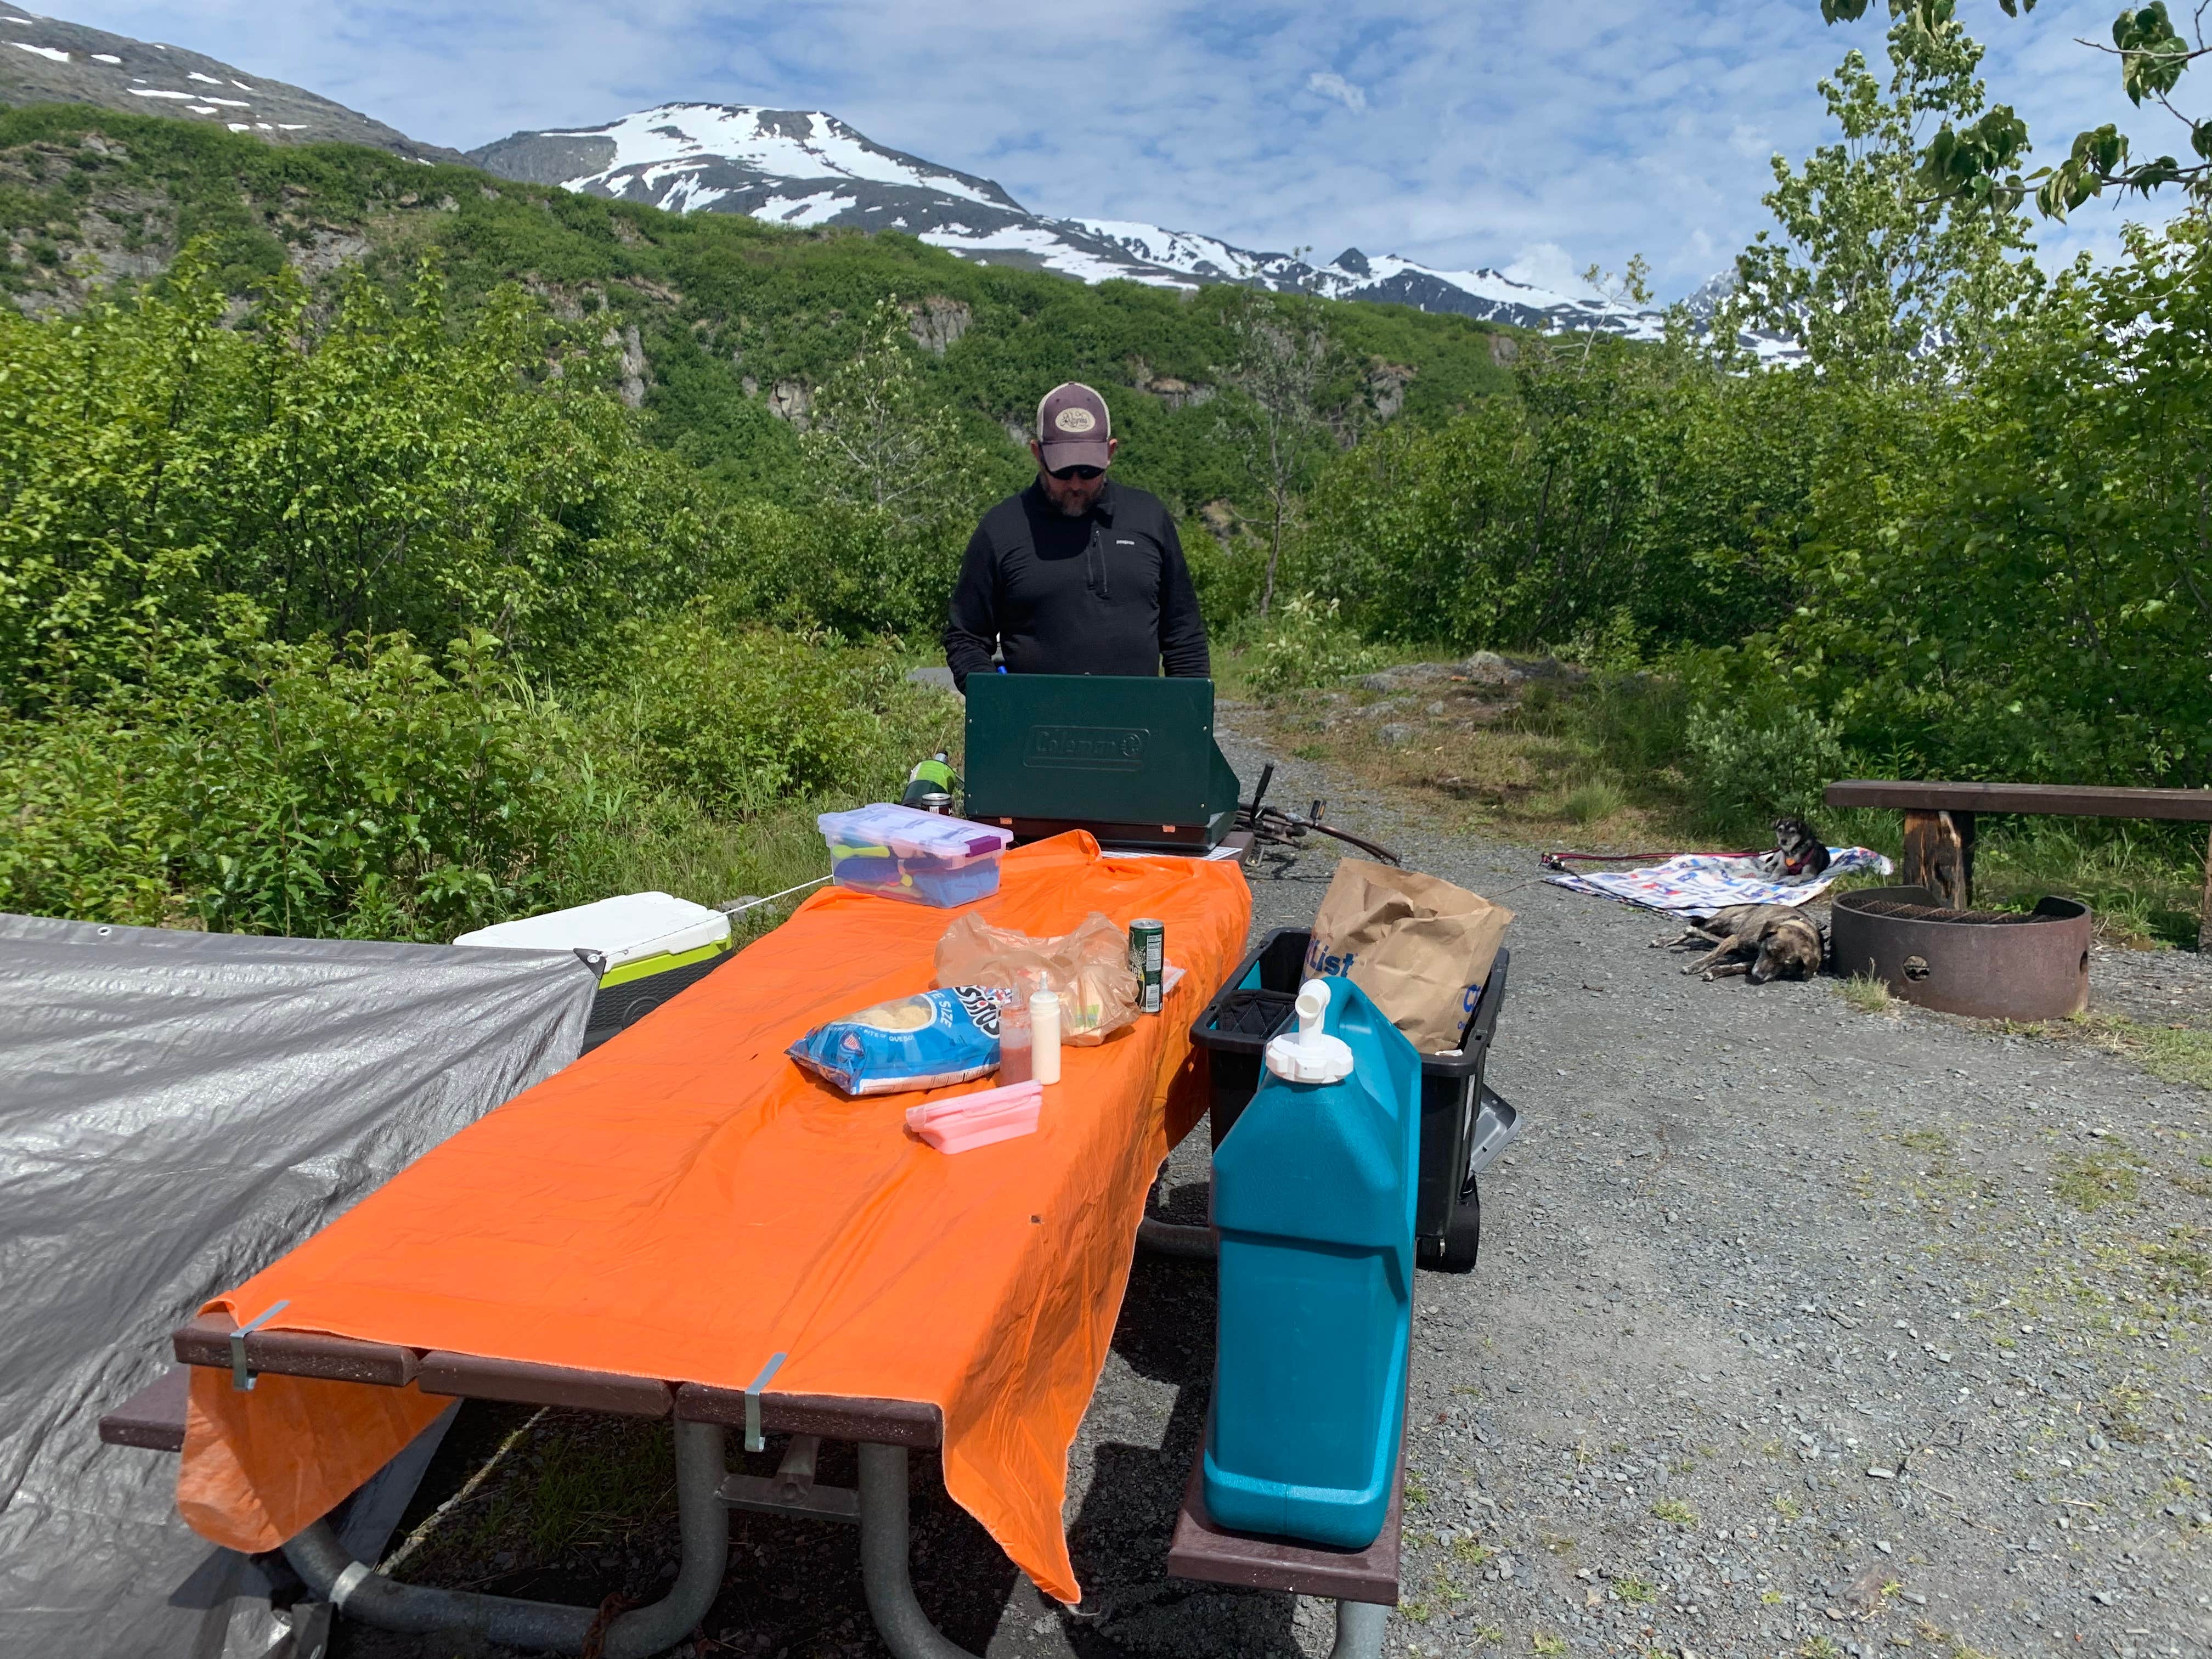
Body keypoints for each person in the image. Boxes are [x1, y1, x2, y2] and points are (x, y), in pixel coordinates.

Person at [943, 382, 1210, 692]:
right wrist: (997, 700)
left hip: (1138, 727)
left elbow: (1184, 634)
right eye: (1062, 471)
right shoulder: (1001, 528)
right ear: (1037, 454)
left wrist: (1189, 720)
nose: (1075, 484)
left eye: (1087, 471)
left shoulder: (1149, 517)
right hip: (1033, 728)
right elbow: (966, 636)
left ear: (1110, 452)